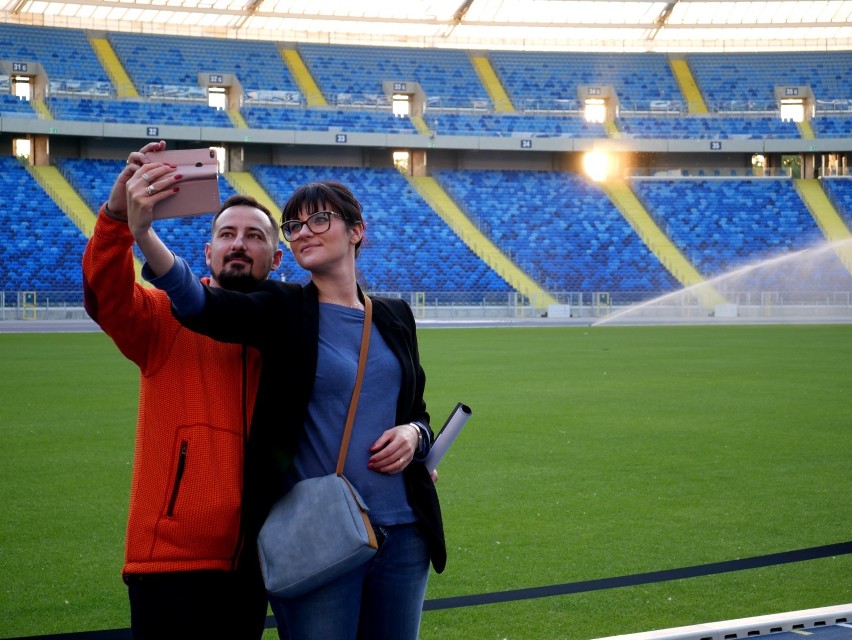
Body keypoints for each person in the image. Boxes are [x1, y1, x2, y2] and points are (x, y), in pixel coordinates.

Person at [125, 169, 446, 640]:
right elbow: (199, 304)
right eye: (294, 226)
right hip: (322, 534)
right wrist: (144, 234)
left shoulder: (395, 315)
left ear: (357, 231)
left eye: (319, 219)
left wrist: (415, 436)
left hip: (405, 531)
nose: (303, 232)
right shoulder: (284, 307)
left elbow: (417, 410)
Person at [82, 141, 283, 640]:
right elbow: (104, 295)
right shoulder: (160, 315)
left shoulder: (290, 329)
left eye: (254, 236)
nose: (240, 243)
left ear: (276, 257)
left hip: (253, 563)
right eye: (227, 233)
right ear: (207, 251)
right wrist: (115, 217)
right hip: (170, 562)